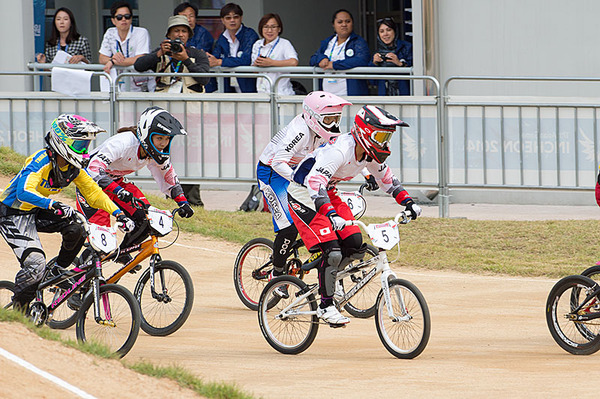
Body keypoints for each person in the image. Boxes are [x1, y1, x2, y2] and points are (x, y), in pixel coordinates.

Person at [287, 105, 422, 325]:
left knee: (355, 243)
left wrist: (408, 202)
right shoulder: (340, 150)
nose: (385, 143)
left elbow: (387, 181)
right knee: (332, 252)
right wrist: (331, 214)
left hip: (327, 192)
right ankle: (326, 305)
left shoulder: (368, 154)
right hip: (304, 194)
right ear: (364, 133)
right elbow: (314, 183)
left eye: (387, 137)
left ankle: (330, 280)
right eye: (381, 136)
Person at [0, 114, 135, 311]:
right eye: (80, 145)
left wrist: (119, 213)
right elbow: (23, 191)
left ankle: (57, 269)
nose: (84, 150)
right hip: (13, 213)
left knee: (77, 227)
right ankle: (19, 313)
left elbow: (94, 193)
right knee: (35, 264)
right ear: (62, 141)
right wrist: (53, 204)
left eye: (86, 145)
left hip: (37, 211)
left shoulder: (74, 168)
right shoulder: (41, 160)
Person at [76, 106, 195, 265]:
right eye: (159, 138)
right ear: (147, 135)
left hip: (116, 184)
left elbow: (168, 178)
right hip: (90, 186)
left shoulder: (156, 153)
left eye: (167, 139)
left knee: (146, 219)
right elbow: (93, 169)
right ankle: (79, 278)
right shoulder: (123, 143)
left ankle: (123, 251)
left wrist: (183, 202)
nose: (163, 143)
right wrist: (117, 191)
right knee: (101, 241)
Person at [257, 91, 351, 292]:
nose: (334, 124)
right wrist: (301, 181)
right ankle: (278, 273)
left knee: (325, 216)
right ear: (313, 117)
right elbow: (278, 162)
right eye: (329, 119)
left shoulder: (327, 130)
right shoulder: (299, 132)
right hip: (273, 173)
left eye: (337, 118)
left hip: (299, 173)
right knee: (288, 226)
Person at [134, 15, 210, 93]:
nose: (180, 35)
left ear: (188, 35)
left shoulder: (197, 54)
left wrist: (186, 60)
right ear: (169, 35)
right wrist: (159, 53)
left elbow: (205, 79)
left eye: (184, 31)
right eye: (176, 31)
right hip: (165, 101)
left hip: (190, 102)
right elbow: (138, 66)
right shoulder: (162, 52)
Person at [309, 9, 370, 96]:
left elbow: (362, 60)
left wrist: (334, 65)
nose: (344, 25)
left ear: (352, 23)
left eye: (347, 21)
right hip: (326, 94)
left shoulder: (358, 42)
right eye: (340, 22)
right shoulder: (328, 42)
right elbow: (312, 59)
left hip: (349, 94)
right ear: (333, 25)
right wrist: (321, 59)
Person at [205, 3, 259, 93]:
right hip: (229, 88)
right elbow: (216, 56)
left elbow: (246, 60)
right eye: (228, 18)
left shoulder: (250, 34)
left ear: (241, 18)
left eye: (236, 17)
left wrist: (220, 62)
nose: (232, 21)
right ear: (222, 20)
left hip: (248, 88)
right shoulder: (222, 37)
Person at [98, 1, 150, 92]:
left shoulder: (141, 32)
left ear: (131, 19)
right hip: (119, 85)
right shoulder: (110, 32)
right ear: (113, 20)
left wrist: (113, 62)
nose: (123, 19)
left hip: (141, 84)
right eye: (119, 17)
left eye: (127, 16)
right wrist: (111, 60)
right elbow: (102, 58)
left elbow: (139, 59)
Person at [251, 13, 298, 95]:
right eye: (266, 27)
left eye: (273, 27)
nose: (269, 31)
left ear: (279, 29)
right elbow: (254, 71)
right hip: (261, 93)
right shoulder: (257, 44)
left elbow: (294, 62)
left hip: (281, 94)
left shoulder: (284, 43)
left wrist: (271, 63)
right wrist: (256, 65)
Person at [372, 17, 413, 96]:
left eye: (389, 30)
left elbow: (417, 72)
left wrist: (400, 63)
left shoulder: (407, 47)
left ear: (395, 31)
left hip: (404, 95)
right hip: (385, 96)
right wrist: (374, 64)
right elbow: (372, 82)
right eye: (381, 31)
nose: (385, 34)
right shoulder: (377, 52)